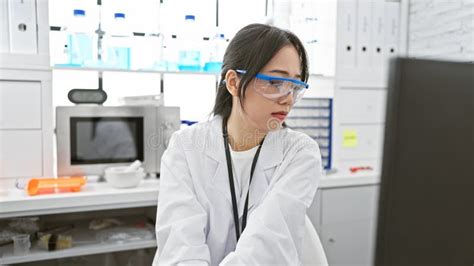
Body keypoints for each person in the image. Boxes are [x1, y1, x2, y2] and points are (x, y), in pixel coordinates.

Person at [153, 23, 322, 265]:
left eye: (295, 86)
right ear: (233, 82)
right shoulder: (185, 147)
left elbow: (267, 245)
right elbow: (180, 245)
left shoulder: (300, 153)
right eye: (275, 83)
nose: (288, 99)